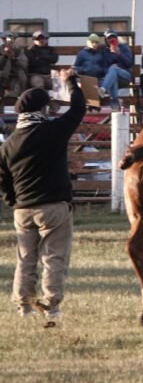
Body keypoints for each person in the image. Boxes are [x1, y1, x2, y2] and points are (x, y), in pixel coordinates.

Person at [0, 69, 84, 326]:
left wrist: (14, 202)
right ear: (42, 109)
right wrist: (71, 82)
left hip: (22, 210)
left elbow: (3, 182)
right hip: (54, 206)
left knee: (25, 259)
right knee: (53, 257)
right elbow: (78, 109)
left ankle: (23, 306)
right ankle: (51, 306)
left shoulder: (8, 145)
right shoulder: (53, 131)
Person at [100, 31, 133, 109]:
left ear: (116, 38)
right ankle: (115, 102)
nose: (112, 39)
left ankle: (103, 89)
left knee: (114, 69)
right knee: (113, 73)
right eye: (109, 38)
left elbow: (129, 63)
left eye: (113, 37)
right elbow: (103, 68)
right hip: (111, 78)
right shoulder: (105, 52)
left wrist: (119, 54)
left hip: (125, 76)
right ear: (106, 40)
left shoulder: (123, 48)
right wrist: (111, 70)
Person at [0, 31, 29, 101]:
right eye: (6, 39)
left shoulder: (19, 50)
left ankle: (19, 96)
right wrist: (5, 56)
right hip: (3, 76)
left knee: (22, 76)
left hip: (16, 74)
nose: (9, 41)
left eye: (11, 39)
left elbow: (24, 64)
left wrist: (14, 58)